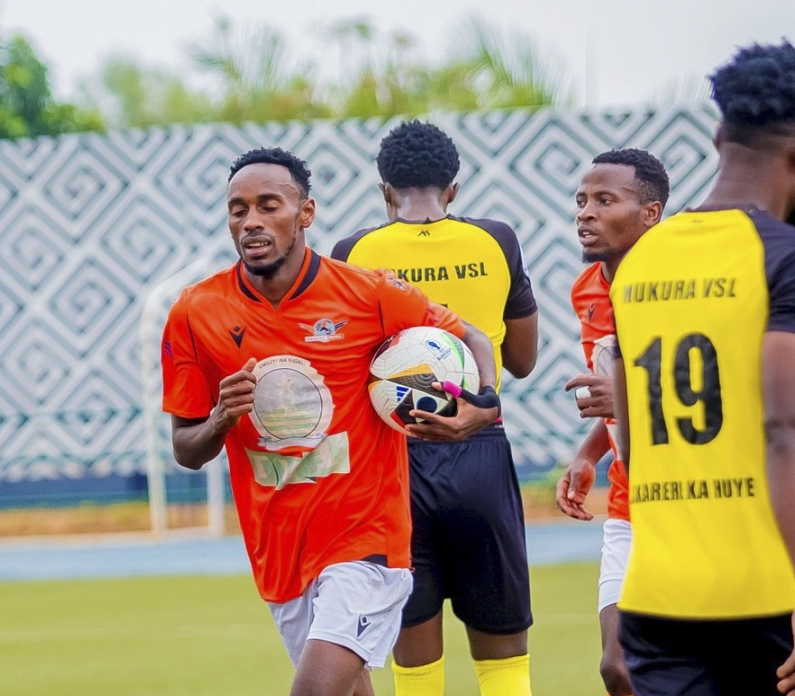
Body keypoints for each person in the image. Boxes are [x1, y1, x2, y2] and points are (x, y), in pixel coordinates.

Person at [161, 147, 503, 696]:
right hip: (279, 550)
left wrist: (483, 404)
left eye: (269, 205)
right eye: (238, 209)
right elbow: (185, 447)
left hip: (366, 540)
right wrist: (221, 419)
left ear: (306, 213)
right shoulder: (195, 313)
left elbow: (475, 338)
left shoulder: (370, 293)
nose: (251, 220)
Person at [608, 42, 795, 696]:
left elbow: (634, 443)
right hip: (773, 594)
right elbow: (786, 427)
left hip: (658, 597)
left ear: (717, 137)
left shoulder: (638, 263)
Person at [332, 120, 539, 696]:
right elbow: (522, 359)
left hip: (394, 463)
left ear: (384, 189)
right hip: (478, 445)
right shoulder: (496, 239)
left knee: (415, 662)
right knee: (503, 656)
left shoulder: (354, 252)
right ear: (453, 188)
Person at [554, 148, 669, 696]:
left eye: (605, 200)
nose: (585, 213)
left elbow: (712, 393)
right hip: (627, 497)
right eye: (581, 201)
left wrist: (625, 399)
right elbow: (617, 398)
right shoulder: (586, 290)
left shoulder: (680, 286)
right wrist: (589, 453)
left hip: (690, 497)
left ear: (651, 212)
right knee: (617, 668)